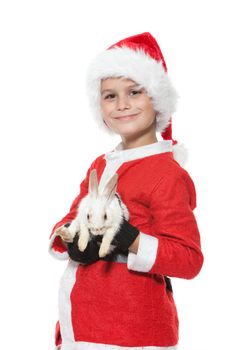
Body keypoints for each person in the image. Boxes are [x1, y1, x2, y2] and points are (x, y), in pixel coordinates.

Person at [49, 32, 204, 350]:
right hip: (84, 321)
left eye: (134, 91)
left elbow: (189, 260)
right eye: (110, 96)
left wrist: (131, 239)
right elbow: (74, 212)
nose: (122, 105)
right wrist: (70, 237)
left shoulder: (167, 174)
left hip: (133, 332)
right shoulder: (101, 164)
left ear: (157, 98)